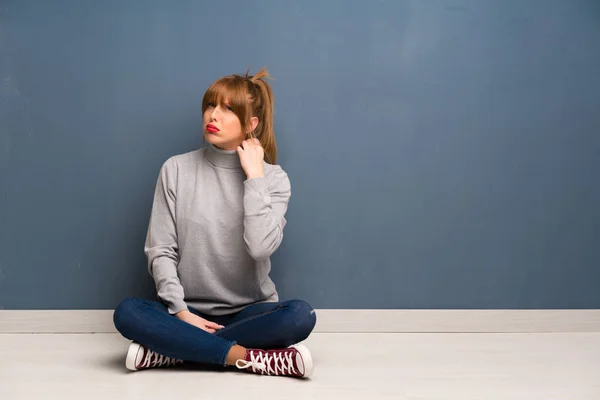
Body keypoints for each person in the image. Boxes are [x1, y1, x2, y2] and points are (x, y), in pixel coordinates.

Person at [113, 68, 316, 379]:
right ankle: (247, 357)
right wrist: (181, 313)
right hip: (184, 312)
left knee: (300, 315)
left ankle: (174, 351)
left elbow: (261, 248)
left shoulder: (273, 179)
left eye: (228, 109)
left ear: (251, 125)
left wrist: (255, 179)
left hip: (248, 313)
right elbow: (160, 250)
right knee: (128, 312)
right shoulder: (176, 169)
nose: (214, 115)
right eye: (211, 105)